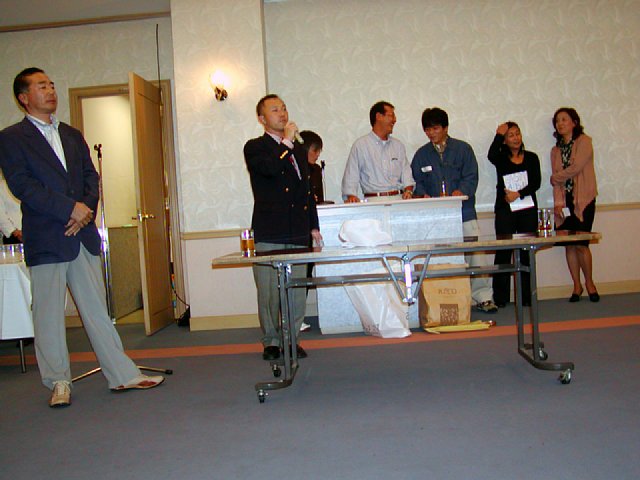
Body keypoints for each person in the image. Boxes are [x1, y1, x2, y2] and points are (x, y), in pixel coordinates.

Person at [0, 68, 164, 408]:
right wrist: (69, 210)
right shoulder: (12, 138)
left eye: (52, 84)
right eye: (42, 86)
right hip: (48, 237)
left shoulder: (72, 134)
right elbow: (23, 186)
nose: (50, 90)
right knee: (48, 315)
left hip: (83, 233)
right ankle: (59, 381)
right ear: (24, 97)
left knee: (97, 310)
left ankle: (122, 374)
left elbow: (91, 178)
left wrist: (84, 211)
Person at [243, 94, 322, 361]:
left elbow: (306, 190)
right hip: (270, 229)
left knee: (296, 291)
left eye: (284, 108)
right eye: (275, 110)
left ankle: (292, 339)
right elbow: (270, 170)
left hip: (298, 229)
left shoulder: (298, 150)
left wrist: (313, 226)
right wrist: (287, 142)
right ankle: (271, 341)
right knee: (268, 291)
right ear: (262, 118)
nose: (282, 113)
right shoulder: (255, 147)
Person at [411, 107, 498, 313]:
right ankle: (448, 298)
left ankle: (483, 297)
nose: (431, 133)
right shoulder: (421, 155)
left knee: (476, 255)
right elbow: (416, 182)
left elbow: (471, 177)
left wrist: (461, 191)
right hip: (436, 218)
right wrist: (422, 194)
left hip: (464, 212)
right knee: (442, 259)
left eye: (435, 128)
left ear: (445, 128)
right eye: (427, 129)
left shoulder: (463, 149)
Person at [488, 122, 541, 307]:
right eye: (510, 135)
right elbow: (491, 155)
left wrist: (518, 193)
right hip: (505, 209)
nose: (516, 138)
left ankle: (527, 297)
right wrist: (498, 134)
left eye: (517, 134)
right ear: (505, 140)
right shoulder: (501, 158)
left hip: (527, 209)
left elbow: (536, 182)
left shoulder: (532, 157)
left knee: (526, 253)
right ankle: (501, 298)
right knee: (504, 251)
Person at [550, 107, 599, 302]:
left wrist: (556, 177)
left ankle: (590, 283)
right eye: (557, 121)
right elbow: (557, 183)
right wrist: (557, 203)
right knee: (569, 245)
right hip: (565, 201)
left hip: (583, 200)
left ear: (574, 122)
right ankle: (577, 286)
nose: (560, 124)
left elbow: (576, 167)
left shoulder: (584, 141)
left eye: (564, 119)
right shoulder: (555, 150)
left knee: (581, 244)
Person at [341, 101, 414, 202]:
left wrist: (409, 190)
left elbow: (407, 174)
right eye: (391, 115)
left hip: (398, 199)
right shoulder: (361, 145)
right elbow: (351, 175)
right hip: (373, 201)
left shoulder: (398, 146)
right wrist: (351, 196)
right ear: (378, 116)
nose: (394, 120)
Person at [300, 130, 326, 204]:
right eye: (315, 151)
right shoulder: (292, 169)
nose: (318, 154)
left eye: (319, 151)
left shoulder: (316, 169)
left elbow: (320, 200)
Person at [0, 171, 22, 244]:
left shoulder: (32, 185)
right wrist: (14, 231)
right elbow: (1, 215)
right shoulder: (2, 186)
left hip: (34, 232)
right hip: (15, 235)